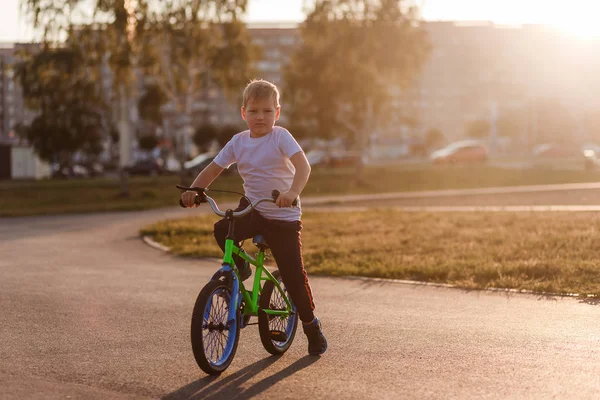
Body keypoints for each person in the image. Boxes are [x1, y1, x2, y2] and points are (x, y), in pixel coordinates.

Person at [180, 79, 327, 356]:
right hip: (254, 210)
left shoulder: (280, 137)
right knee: (222, 229)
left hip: (283, 216)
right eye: (255, 111)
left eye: (268, 111)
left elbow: (303, 166)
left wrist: (292, 191)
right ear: (244, 113)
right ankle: (240, 272)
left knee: (294, 277)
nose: (261, 117)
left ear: (277, 113)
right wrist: (194, 190)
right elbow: (214, 168)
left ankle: (311, 325)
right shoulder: (238, 142)